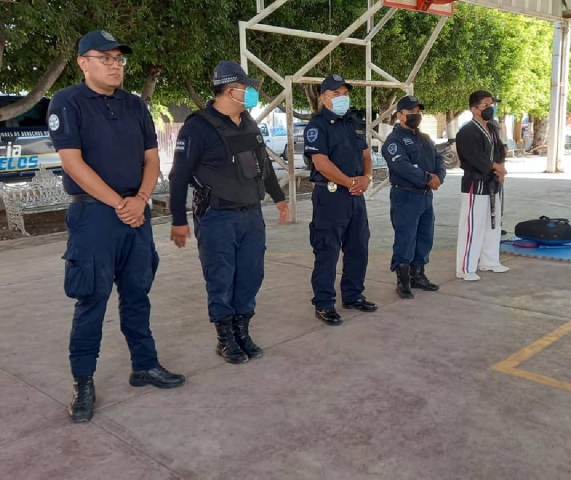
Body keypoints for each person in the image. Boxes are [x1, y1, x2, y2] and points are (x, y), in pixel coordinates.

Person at [47, 30, 185, 423]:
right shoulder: (68, 102)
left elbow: (152, 159)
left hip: (134, 215)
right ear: (82, 63)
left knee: (138, 294)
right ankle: (83, 382)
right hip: (94, 217)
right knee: (91, 299)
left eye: (119, 59)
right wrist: (119, 204)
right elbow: (73, 164)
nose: (114, 65)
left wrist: (139, 201)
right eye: (104, 58)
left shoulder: (136, 106)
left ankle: (145, 365)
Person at [169, 61, 289, 364]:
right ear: (229, 90)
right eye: (246, 89)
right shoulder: (199, 126)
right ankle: (225, 338)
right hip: (218, 217)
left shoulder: (248, 122)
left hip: (251, 215)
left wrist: (279, 198)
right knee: (221, 277)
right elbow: (178, 176)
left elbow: (264, 168)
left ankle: (242, 331)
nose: (250, 94)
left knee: (250, 275)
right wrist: (179, 221)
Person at [303, 74, 377, 326]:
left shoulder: (354, 123)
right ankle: (324, 303)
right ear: (323, 98)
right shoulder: (317, 126)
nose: (342, 98)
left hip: (356, 196)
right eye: (336, 94)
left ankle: (353, 295)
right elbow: (320, 163)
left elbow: (366, 154)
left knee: (358, 246)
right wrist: (350, 182)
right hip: (331, 195)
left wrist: (366, 177)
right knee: (328, 250)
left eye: (345, 93)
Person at [382, 95, 445, 299]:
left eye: (418, 111)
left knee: (425, 236)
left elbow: (438, 159)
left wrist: (438, 178)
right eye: (411, 112)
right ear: (400, 115)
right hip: (406, 196)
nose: (416, 115)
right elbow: (402, 166)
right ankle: (403, 280)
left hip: (425, 196)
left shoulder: (425, 138)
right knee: (405, 238)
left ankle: (418, 275)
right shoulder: (394, 141)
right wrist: (428, 178)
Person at [455, 90, 509, 281]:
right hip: (475, 184)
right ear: (474, 109)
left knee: (492, 224)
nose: (490, 108)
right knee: (473, 227)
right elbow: (475, 158)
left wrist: (500, 168)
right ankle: (465, 268)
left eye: (491, 104)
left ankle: (490, 261)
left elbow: (500, 151)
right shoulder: (467, 132)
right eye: (486, 105)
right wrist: (496, 168)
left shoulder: (493, 129)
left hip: (493, 183)